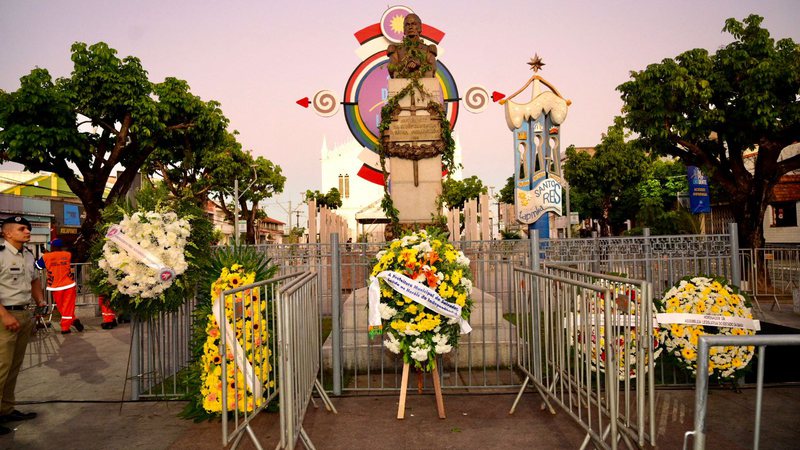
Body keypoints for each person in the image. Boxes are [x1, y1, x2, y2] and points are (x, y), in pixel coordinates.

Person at [0, 216, 45, 434]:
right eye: (22, 228)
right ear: (7, 233)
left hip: (24, 315)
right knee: (1, 368)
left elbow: (35, 279)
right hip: (4, 316)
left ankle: (6, 409)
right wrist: (4, 316)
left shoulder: (28, 255)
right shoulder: (0, 255)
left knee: (14, 367)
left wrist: (40, 300)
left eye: (28, 228)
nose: (27, 231)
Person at [35, 239, 83, 334]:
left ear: (52, 247)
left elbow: (38, 266)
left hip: (55, 286)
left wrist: (46, 255)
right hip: (69, 284)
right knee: (68, 307)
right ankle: (72, 321)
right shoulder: (67, 255)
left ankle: (65, 327)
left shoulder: (46, 257)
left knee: (61, 307)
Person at [387, 13, 437, 79]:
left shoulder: (428, 49)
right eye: (407, 25)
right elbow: (391, 69)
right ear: (404, 30)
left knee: (428, 73)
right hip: (401, 83)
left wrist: (418, 63)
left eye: (413, 24)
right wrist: (406, 63)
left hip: (425, 86)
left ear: (419, 28)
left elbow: (433, 69)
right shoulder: (396, 49)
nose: (410, 27)